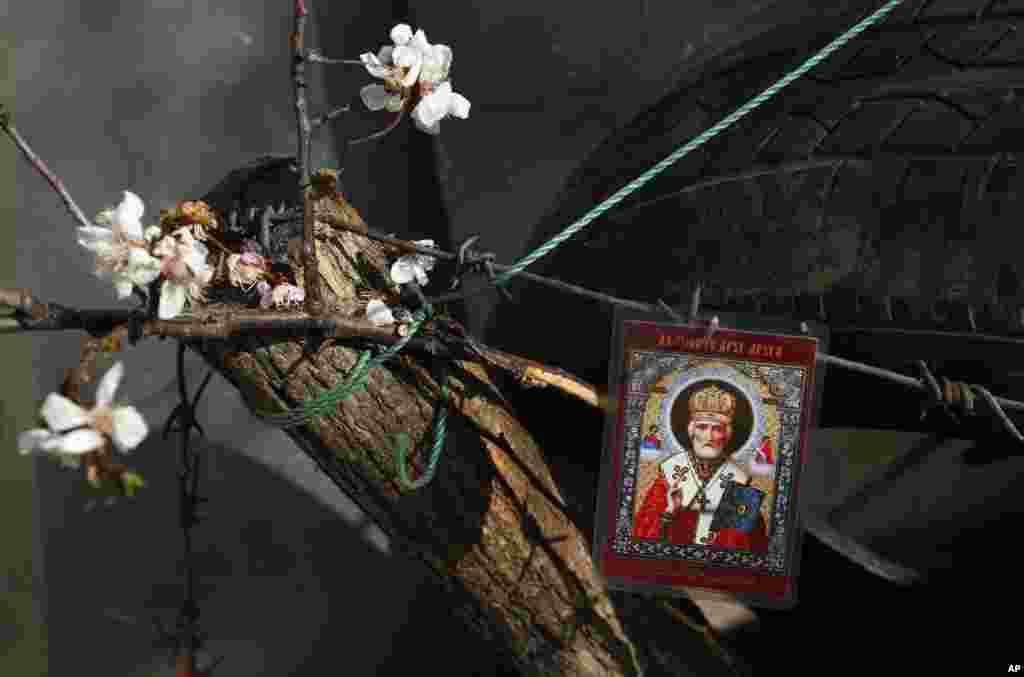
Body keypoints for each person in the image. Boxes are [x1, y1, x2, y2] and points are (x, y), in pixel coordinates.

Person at [633, 383, 769, 550]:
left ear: (727, 435)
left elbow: (749, 547)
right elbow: (643, 540)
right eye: (702, 427)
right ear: (692, 431)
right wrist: (668, 513)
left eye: (717, 429)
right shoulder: (669, 474)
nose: (709, 436)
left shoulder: (740, 482)